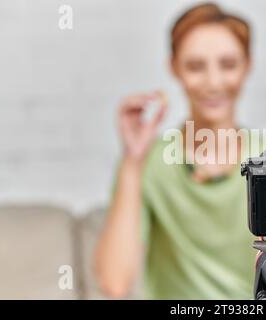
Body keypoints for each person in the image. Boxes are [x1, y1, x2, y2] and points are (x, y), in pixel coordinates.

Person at [93, 3, 256, 299]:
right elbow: (114, 283)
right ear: (174, 68)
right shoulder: (149, 161)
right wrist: (132, 161)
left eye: (228, 65)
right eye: (195, 66)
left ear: (248, 65)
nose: (213, 82)